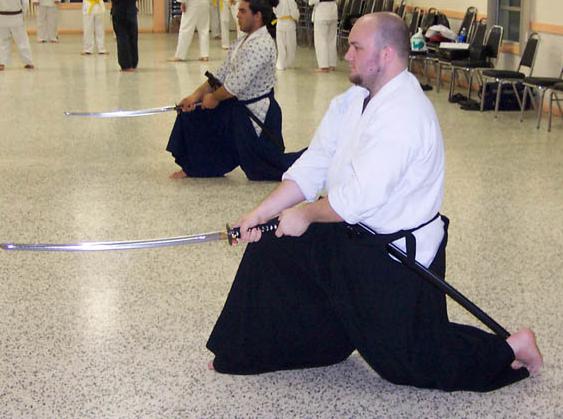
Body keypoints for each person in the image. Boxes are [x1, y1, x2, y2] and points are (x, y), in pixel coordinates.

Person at [206, 13, 543, 392]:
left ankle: (512, 347)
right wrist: (259, 214)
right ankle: (253, 349)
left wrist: (304, 214)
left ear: (385, 55)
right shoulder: (354, 100)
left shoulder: (405, 115)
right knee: (274, 245)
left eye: (356, 47)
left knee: (408, 363)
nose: (347, 54)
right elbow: (313, 166)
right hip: (350, 233)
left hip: (393, 254)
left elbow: (353, 201)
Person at [166, 0, 305, 181]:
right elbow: (219, 76)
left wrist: (212, 98)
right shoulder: (242, 42)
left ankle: (316, 160)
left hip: (256, 114)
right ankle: (194, 167)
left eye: (242, 11)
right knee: (192, 115)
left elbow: (232, 87)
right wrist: (194, 96)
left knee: (267, 169)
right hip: (236, 106)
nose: (237, 15)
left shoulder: (261, 45)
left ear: (257, 16)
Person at [0, 0, 34, 70]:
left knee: (4, 41)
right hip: (16, 16)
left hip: (2, 17)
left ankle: (2, 63)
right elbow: (25, 3)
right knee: (22, 40)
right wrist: (23, 14)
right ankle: (28, 62)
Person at [308, 0, 336, 72]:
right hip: (333, 11)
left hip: (322, 12)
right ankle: (331, 64)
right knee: (331, 40)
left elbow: (311, 1)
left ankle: (324, 66)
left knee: (321, 40)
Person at [110, 0, 138, 71]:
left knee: (122, 36)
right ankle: (133, 62)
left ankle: (126, 64)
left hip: (119, 10)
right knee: (132, 36)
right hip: (131, 10)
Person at [272, 0, 298, 70]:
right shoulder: (291, 1)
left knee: (281, 46)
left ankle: (281, 64)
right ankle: (289, 63)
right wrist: (296, 17)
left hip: (280, 23)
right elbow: (294, 13)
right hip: (290, 24)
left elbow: (274, 10)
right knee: (291, 45)